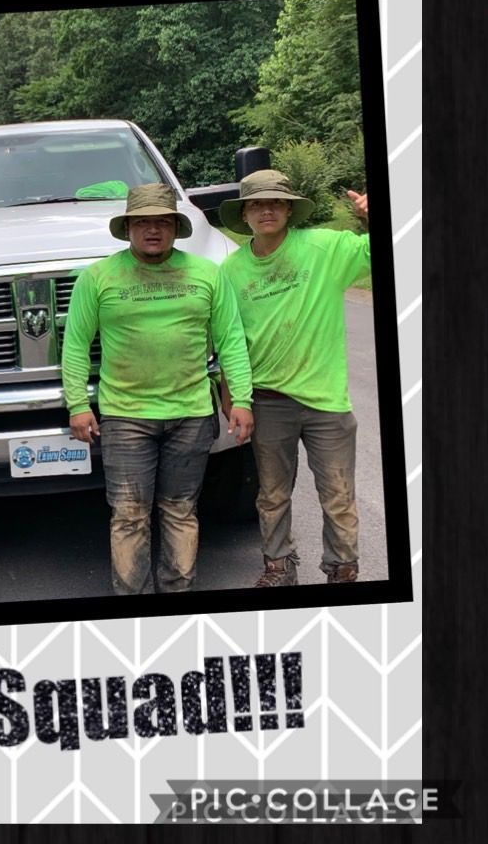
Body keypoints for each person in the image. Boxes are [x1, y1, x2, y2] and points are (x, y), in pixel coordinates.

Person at [63, 184, 253, 598]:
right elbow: (76, 345)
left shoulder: (206, 274)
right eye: (143, 221)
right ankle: (131, 598)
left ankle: (177, 594)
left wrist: (240, 399)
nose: (153, 229)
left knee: (180, 510)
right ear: (128, 227)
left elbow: (231, 340)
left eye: (162, 221)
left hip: (191, 414)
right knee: (129, 514)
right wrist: (78, 404)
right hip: (126, 415)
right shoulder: (98, 278)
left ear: (175, 227)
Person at [217, 168, 371, 589]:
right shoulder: (230, 272)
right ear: (244, 214)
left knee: (338, 495)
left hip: (326, 401)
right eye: (256, 204)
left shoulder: (324, 248)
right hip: (268, 401)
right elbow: (227, 340)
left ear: (289, 209)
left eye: (275, 202)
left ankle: (343, 570)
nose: (266, 210)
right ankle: (279, 567)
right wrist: (233, 397)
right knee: (272, 494)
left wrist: (370, 218)